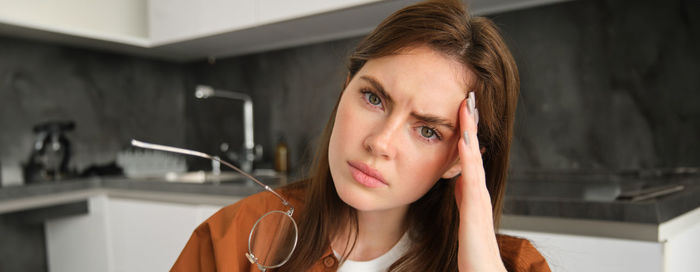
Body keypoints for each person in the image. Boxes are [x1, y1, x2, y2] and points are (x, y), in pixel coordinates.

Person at [172, 0, 550, 271]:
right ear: (345, 88)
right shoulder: (233, 238)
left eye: (428, 130)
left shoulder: (518, 266)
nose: (380, 143)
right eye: (373, 98)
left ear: (458, 159)